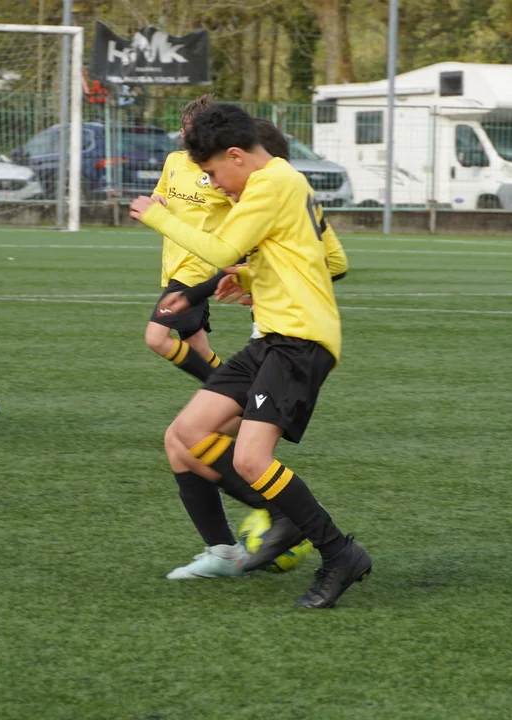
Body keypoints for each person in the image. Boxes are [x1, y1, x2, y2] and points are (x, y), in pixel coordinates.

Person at [130, 105, 371, 609]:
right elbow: (323, 258)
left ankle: (338, 552)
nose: (216, 185)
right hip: (275, 337)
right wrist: (255, 276)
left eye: (214, 173)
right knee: (186, 434)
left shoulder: (271, 183)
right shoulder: (284, 182)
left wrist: (157, 216)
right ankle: (269, 523)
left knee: (250, 458)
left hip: (299, 339)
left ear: (236, 155)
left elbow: (221, 250)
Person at [144, 94, 231, 383]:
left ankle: (227, 394)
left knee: (156, 338)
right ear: (182, 133)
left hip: (196, 270)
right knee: (199, 349)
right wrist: (157, 202)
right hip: (172, 265)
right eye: (190, 134)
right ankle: (235, 391)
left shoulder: (221, 172)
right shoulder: (173, 161)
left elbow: (246, 213)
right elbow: (161, 195)